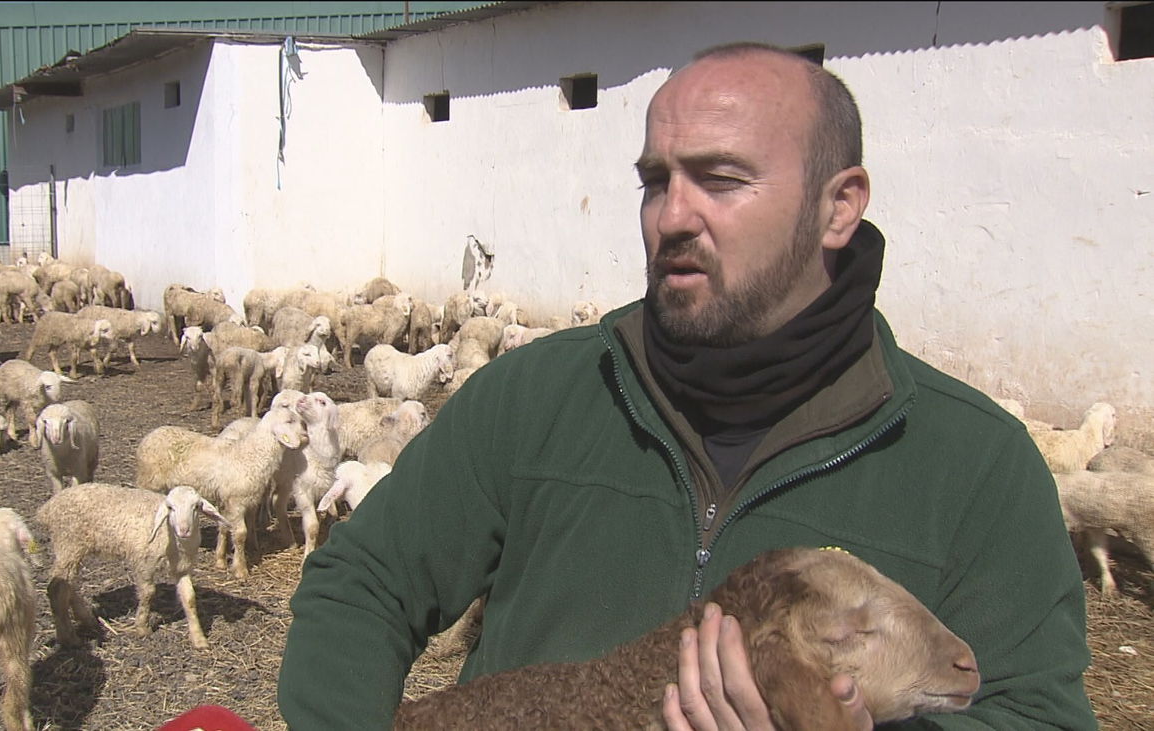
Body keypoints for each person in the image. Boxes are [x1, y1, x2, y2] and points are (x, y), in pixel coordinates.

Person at [278, 42, 1097, 730]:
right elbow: (361, 585)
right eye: (654, 179)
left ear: (837, 207)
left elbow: (1036, 711)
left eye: (720, 179)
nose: (671, 215)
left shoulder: (976, 466)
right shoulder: (534, 395)